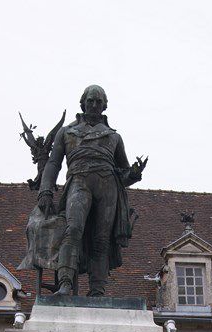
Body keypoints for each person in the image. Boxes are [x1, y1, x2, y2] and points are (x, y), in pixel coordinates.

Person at [37, 84, 147, 296]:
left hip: (108, 186)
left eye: (99, 101)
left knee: (102, 239)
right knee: (73, 229)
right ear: (83, 103)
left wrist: (133, 173)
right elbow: (53, 164)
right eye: (91, 100)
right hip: (79, 181)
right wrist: (46, 190)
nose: (94, 105)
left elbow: (122, 174)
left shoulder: (114, 137)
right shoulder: (67, 132)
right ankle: (66, 282)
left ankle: (97, 290)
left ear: (104, 106)